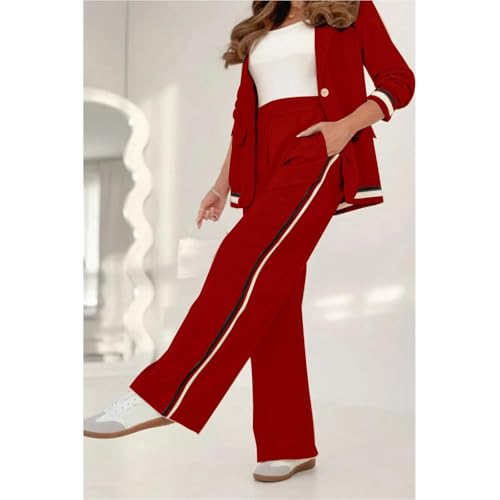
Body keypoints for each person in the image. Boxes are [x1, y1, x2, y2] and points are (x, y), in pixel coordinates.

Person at [84, 0, 415, 483]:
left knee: (239, 259)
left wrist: (342, 130)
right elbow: (247, 116)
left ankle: (161, 394)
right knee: (274, 297)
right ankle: (289, 444)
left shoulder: (351, 8)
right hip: (261, 163)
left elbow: (398, 80)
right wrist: (223, 183)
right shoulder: (265, 23)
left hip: (317, 145)